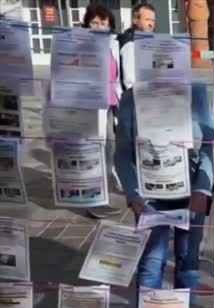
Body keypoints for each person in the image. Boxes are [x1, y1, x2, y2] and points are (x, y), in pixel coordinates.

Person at [114, 83, 214, 308]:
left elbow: (208, 145)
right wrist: (133, 195)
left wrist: (203, 189)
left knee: (188, 260)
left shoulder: (196, 92)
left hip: (191, 192)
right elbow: (122, 152)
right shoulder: (132, 97)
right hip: (150, 194)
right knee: (151, 262)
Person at [81, 4, 123, 217]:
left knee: (108, 151)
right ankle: (92, 201)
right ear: (87, 24)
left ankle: (101, 198)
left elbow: (115, 77)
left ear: (110, 27)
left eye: (103, 24)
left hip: (108, 105)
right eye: (94, 22)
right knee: (94, 152)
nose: (98, 27)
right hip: (89, 107)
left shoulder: (111, 45)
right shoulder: (80, 45)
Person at [118, 3, 156, 91]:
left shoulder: (147, 41)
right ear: (135, 20)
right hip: (136, 98)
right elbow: (130, 81)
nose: (151, 24)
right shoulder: (130, 43)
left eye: (153, 20)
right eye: (147, 20)